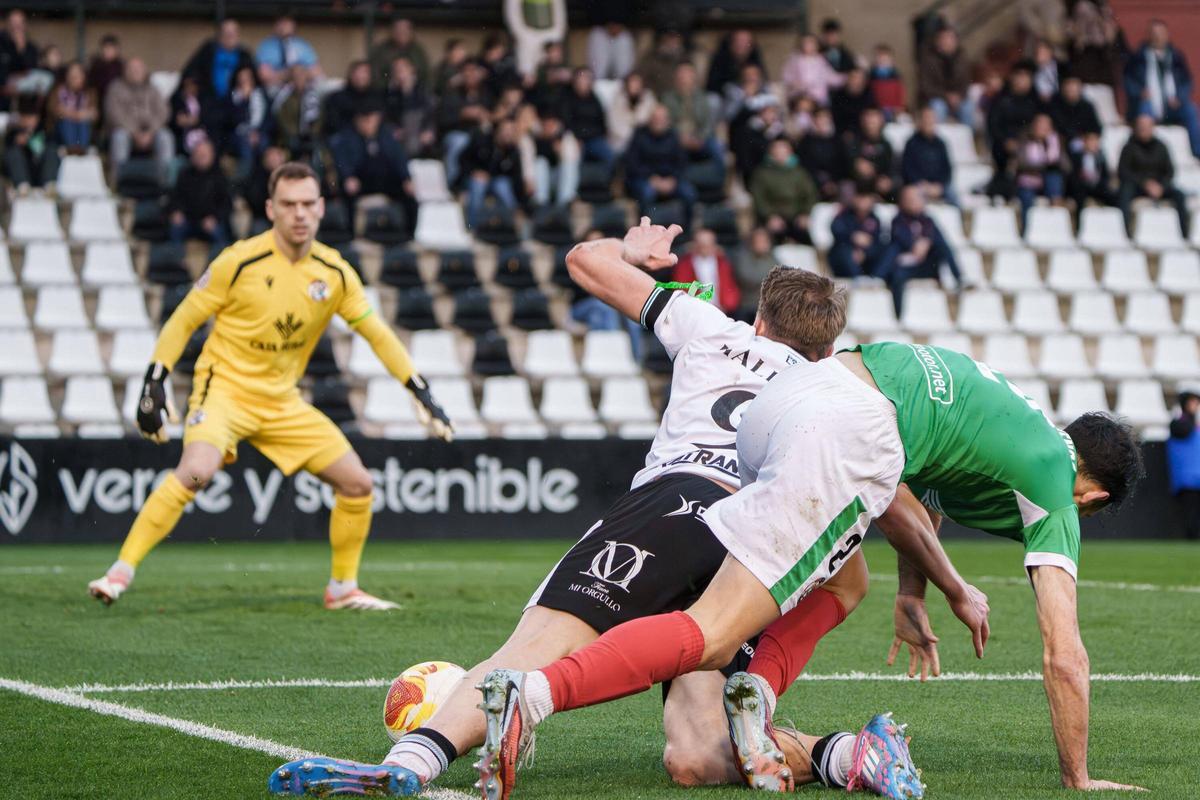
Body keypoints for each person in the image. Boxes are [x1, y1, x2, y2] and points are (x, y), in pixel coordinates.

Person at [269, 220, 926, 799]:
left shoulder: (709, 326)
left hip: (675, 502)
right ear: (829, 344)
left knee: (531, 649)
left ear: (759, 319)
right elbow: (886, 495)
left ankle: (414, 760)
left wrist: (631, 249)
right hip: (757, 538)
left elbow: (584, 261)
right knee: (697, 758)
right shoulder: (840, 386)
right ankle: (848, 755)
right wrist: (938, 582)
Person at [472, 331, 1148, 798]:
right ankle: (529, 696)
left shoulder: (1013, 422)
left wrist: (918, 590)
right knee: (712, 629)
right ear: (1093, 494)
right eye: (1090, 512)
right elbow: (1065, 651)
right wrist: (1078, 777)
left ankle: (753, 694)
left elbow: (909, 494)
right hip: (848, 425)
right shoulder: (1056, 485)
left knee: (847, 577)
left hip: (790, 400)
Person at [87, 162, 452, 610]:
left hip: (282, 400)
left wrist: (419, 389)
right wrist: (155, 381)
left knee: (357, 484)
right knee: (196, 471)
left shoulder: (334, 273)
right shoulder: (239, 261)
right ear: (270, 209)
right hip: (224, 390)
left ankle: (342, 588)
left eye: (307, 204)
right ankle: (119, 572)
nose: (299, 213)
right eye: (288, 204)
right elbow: (184, 319)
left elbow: (376, 333)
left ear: (321, 209)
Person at [330, 105, 419, 236]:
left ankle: (408, 235)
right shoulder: (347, 138)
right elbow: (342, 161)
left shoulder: (387, 136)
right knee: (348, 195)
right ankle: (351, 235)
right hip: (360, 182)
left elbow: (399, 158)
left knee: (410, 198)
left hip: (385, 183)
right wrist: (348, 176)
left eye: (372, 119)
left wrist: (406, 178)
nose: (368, 124)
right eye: (365, 120)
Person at [880, 185, 964, 316]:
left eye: (915, 198)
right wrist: (915, 244)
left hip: (927, 265)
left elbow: (940, 243)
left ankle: (959, 277)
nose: (912, 202)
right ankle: (898, 315)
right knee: (897, 274)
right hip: (906, 267)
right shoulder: (898, 220)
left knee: (941, 245)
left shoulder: (928, 221)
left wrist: (927, 241)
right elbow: (899, 239)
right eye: (908, 199)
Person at [1123, 19, 1200, 158]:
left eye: (1161, 33)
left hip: (1172, 106)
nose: (1157, 36)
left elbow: (1187, 81)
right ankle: (1145, 154)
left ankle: (1198, 152)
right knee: (1144, 115)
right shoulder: (1139, 56)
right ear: (1148, 35)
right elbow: (1128, 80)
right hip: (1148, 103)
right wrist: (1139, 92)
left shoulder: (1176, 56)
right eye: (1154, 33)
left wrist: (1180, 97)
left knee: (1191, 109)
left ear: (1167, 34)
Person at [1117, 114, 1189, 238]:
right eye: (1141, 126)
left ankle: (1184, 234)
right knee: (1124, 192)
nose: (1143, 129)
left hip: (1159, 187)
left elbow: (1170, 171)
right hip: (1137, 186)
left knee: (1180, 195)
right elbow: (1123, 172)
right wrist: (1145, 184)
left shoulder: (1161, 146)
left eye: (1146, 126)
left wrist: (1161, 186)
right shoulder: (1129, 147)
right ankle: (1126, 233)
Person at [105, 57, 173, 184]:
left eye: (138, 69)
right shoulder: (116, 88)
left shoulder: (153, 89)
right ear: (125, 71)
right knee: (119, 137)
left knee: (165, 137)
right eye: (131, 69)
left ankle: (165, 182)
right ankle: (118, 182)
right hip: (126, 132)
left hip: (151, 132)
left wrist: (151, 132)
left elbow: (163, 112)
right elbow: (114, 114)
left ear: (144, 71)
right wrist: (134, 132)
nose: (135, 72)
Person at [624, 104, 695, 220]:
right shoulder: (639, 135)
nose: (659, 122)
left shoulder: (674, 136)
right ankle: (644, 231)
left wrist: (673, 179)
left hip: (670, 179)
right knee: (646, 193)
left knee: (689, 193)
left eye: (662, 118)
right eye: (656, 118)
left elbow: (682, 163)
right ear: (650, 119)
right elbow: (632, 164)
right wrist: (652, 179)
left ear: (668, 120)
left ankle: (686, 232)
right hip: (646, 179)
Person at [986, 61, 1041, 194]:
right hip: (1005, 145)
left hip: (1029, 144)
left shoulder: (1036, 101)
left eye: (1026, 76)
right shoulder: (1001, 99)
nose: (1023, 80)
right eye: (1019, 76)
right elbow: (993, 124)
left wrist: (1024, 142)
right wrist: (1005, 141)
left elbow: (1039, 125)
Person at [436, 59, 493, 188]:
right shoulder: (452, 93)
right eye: (467, 72)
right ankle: (451, 184)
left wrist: (484, 115)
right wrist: (462, 114)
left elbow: (492, 115)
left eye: (474, 71)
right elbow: (442, 120)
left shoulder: (486, 94)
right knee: (460, 141)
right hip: (457, 133)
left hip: (479, 135)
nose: (470, 75)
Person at [166, 138, 231, 252]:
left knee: (219, 234)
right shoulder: (185, 174)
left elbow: (226, 203)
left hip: (211, 221)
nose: (201, 158)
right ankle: (178, 264)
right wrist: (176, 212)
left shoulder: (220, 176)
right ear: (193, 156)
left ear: (212, 155)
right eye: (198, 154)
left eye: (204, 155)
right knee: (175, 228)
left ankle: (218, 265)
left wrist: (214, 218)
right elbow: (175, 197)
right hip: (188, 220)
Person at [462, 117, 526, 230]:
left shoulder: (513, 151)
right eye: (506, 130)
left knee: (503, 186)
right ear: (498, 130)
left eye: (511, 131)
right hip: (475, 179)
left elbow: (517, 179)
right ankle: (472, 227)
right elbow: (463, 159)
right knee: (478, 185)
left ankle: (512, 227)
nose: (508, 134)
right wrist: (474, 171)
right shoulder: (482, 140)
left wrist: (522, 204)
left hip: (496, 182)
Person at [660, 62, 723, 174]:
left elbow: (707, 124)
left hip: (698, 137)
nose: (684, 80)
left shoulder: (702, 98)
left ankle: (718, 177)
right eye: (681, 77)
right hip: (677, 138)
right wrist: (680, 137)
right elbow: (666, 123)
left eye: (687, 77)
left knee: (716, 147)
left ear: (693, 79)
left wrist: (699, 139)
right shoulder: (667, 98)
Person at [751, 137, 817, 244]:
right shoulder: (762, 173)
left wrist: (805, 213)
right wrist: (770, 216)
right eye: (777, 149)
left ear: (790, 151)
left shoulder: (800, 173)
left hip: (797, 217)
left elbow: (810, 195)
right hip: (774, 218)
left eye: (783, 149)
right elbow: (759, 198)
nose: (780, 153)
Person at [181, 19, 255, 109]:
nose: (229, 37)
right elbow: (190, 72)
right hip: (208, 100)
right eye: (227, 34)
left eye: (232, 34)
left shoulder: (244, 55)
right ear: (220, 35)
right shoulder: (208, 51)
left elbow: (253, 79)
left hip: (235, 101)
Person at [1015, 113, 1066, 228]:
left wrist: (1050, 144)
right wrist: (1044, 166)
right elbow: (1022, 163)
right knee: (1027, 197)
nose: (1042, 129)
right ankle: (1027, 229)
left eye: (1046, 126)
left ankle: (1055, 224)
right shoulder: (1024, 140)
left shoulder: (1055, 141)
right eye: (1040, 125)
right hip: (1028, 180)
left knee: (1054, 178)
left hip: (1047, 182)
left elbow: (1064, 165)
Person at [672, 228, 740, 314]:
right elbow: (681, 288)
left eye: (708, 244)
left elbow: (730, 287)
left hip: (720, 310)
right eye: (702, 244)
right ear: (695, 245)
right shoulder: (685, 265)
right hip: (695, 310)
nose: (705, 248)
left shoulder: (722, 264)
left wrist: (727, 305)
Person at [917, 26, 973, 127]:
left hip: (958, 98)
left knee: (968, 107)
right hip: (936, 98)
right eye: (944, 38)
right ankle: (939, 140)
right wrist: (946, 96)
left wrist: (959, 96)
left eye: (950, 38)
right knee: (938, 107)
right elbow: (926, 87)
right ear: (937, 41)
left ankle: (967, 139)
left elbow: (966, 83)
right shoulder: (928, 60)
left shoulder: (962, 59)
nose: (947, 42)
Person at [559, 66, 613, 168]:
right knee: (573, 158)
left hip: (595, 138)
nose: (584, 81)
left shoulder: (595, 98)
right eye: (581, 78)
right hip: (574, 139)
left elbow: (601, 120)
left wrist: (605, 135)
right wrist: (576, 138)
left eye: (587, 78)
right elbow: (566, 121)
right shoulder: (566, 97)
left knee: (609, 154)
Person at [902, 106, 957, 206]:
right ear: (921, 121)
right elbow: (908, 169)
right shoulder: (911, 143)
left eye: (932, 119)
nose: (929, 122)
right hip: (918, 185)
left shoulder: (941, 144)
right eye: (926, 118)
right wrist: (923, 184)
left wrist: (939, 186)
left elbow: (947, 169)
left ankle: (963, 220)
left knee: (954, 195)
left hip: (938, 186)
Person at [829, 187, 887, 279]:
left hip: (866, 259)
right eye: (861, 198)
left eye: (866, 198)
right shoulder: (844, 215)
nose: (863, 202)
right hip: (845, 255)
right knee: (844, 252)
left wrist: (865, 253)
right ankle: (858, 278)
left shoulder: (874, 219)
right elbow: (836, 231)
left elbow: (877, 242)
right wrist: (852, 237)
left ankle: (877, 278)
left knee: (885, 250)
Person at [383, 56, 434, 158]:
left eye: (403, 69)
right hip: (399, 135)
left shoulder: (423, 91)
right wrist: (393, 129)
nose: (400, 73)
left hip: (419, 133)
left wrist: (428, 130)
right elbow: (385, 118)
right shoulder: (388, 95)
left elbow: (431, 115)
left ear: (411, 69)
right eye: (396, 71)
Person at [3, 97, 57, 192]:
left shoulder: (44, 131)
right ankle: (22, 185)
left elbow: (52, 146)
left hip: (40, 171)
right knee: (13, 152)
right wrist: (17, 141)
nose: (28, 121)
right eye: (26, 118)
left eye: (31, 118)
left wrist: (34, 142)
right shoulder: (13, 133)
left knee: (51, 150)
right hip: (22, 174)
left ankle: (49, 185)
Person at [503, 0, 567, 78]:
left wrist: (557, 33)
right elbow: (512, 12)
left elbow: (559, 13)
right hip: (527, 35)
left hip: (550, 34)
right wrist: (521, 33)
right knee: (526, 72)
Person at [1168, 388, 1200, 540]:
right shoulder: (1178, 424)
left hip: (1195, 477)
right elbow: (1184, 430)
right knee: (1190, 515)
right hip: (1188, 479)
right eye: (1193, 402)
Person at [844, 107, 895, 201]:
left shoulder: (886, 145)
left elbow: (890, 168)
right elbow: (850, 162)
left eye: (874, 119)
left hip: (878, 185)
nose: (870, 122)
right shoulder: (854, 142)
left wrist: (887, 180)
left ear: (881, 121)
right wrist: (856, 164)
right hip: (857, 185)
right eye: (868, 118)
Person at [47, 62, 96, 153]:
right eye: (71, 74)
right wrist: (76, 114)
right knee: (67, 121)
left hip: (82, 127)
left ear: (83, 76)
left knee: (83, 123)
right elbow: (54, 110)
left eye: (77, 74)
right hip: (62, 128)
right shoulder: (58, 91)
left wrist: (73, 114)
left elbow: (94, 114)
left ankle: (81, 149)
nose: (74, 78)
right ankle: (72, 149)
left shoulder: (90, 93)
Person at [255, 15, 319, 84]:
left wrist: (299, 72)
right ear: (275, 26)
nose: (284, 27)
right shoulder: (267, 46)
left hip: (303, 85)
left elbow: (317, 72)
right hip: (276, 87)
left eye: (287, 23)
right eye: (281, 23)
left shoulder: (302, 45)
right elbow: (264, 75)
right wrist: (288, 73)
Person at [796, 108, 844, 200]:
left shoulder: (837, 140)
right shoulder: (806, 141)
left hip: (836, 181)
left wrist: (833, 181)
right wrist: (821, 182)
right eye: (819, 118)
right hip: (813, 181)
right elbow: (804, 165)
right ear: (814, 120)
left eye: (825, 118)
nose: (822, 121)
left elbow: (842, 164)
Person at [781, 34, 843, 105]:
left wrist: (846, 77)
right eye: (806, 43)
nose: (809, 45)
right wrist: (796, 84)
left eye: (811, 43)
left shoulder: (820, 60)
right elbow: (787, 77)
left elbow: (830, 76)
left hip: (819, 98)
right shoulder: (795, 60)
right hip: (801, 97)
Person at [323, 60, 380, 137]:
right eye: (358, 72)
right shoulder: (336, 97)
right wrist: (357, 124)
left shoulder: (376, 96)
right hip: (345, 136)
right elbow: (333, 123)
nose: (361, 76)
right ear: (351, 75)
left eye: (365, 72)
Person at [368, 18, 428, 87]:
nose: (401, 32)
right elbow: (375, 73)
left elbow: (425, 74)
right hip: (386, 91)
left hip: (415, 91)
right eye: (398, 29)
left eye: (405, 30)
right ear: (392, 31)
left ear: (411, 32)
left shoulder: (418, 51)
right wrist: (390, 81)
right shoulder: (381, 50)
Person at [1067, 130, 1115, 214]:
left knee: (1112, 196)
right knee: (1079, 197)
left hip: (1097, 187)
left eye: (1095, 141)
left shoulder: (1101, 158)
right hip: (1082, 187)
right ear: (1085, 142)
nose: (1093, 144)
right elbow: (1073, 175)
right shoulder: (1077, 157)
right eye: (1091, 140)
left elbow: (1105, 175)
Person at [1047, 74, 1101, 150]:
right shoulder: (1055, 104)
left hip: (1085, 142)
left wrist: (1091, 138)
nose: (1071, 88)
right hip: (1063, 142)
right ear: (1062, 87)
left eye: (1074, 85)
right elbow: (1060, 126)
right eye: (1068, 85)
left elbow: (1096, 127)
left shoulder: (1087, 105)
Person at [0, 9, 41, 109]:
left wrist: (20, 49)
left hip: (24, 98)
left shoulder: (31, 47)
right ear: (7, 24)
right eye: (13, 22)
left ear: (24, 25)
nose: (16, 27)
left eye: (19, 23)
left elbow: (32, 71)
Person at [706, 29, 765, 96]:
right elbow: (713, 85)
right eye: (738, 41)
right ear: (731, 43)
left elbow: (763, 80)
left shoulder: (755, 60)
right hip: (725, 96)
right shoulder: (720, 59)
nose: (741, 45)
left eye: (746, 42)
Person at [606, 70, 655, 154]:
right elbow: (614, 125)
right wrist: (633, 138)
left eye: (637, 82)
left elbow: (650, 121)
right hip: (621, 142)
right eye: (632, 82)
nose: (635, 85)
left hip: (644, 142)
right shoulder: (617, 99)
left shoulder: (648, 99)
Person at [636, 30, 686, 97]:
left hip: (677, 99)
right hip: (655, 96)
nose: (673, 41)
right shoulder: (652, 57)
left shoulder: (684, 58)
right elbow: (642, 77)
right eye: (670, 38)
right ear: (664, 39)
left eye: (675, 38)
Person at [829, 67, 873, 136]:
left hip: (864, 132)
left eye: (859, 78)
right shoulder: (839, 95)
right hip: (842, 132)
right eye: (853, 77)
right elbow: (836, 117)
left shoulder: (869, 94)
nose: (856, 81)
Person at [85, 33, 123, 112]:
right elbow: (91, 87)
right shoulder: (96, 66)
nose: (108, 51)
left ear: (117, 49)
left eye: (111, 48)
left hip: (118, 101)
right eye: (106, 48)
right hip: (99, 102)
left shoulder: (122, 66)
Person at [868, 45, 905, 120]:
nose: (882, 61)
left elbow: (900, 92)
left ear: (891, 61)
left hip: (892, 109)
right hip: (877, 109)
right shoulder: (871, 75)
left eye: (885, 59)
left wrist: (899, 106)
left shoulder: (896, 76)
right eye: (880, 58)